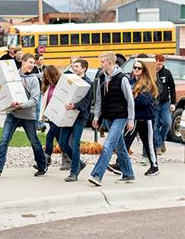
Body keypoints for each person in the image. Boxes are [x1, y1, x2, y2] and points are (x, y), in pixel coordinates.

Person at [0, 53, 47, 178]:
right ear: (23, 62)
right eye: (30, 62)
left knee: (34, 141)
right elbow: (3, 88)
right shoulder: (12, 75)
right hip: (13, 114)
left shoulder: (34, 80)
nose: (32, 65)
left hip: (28, 116)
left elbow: (35, 100)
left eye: (33, 63)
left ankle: (42, 166)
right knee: (4, 140)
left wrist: (21, 105)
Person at [89, 52, 135, 186]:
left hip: (121, 117)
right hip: (109, 117)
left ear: (110, 62)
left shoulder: (122, 78)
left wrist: (131, 119)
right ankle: (128, 174)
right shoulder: (102, 78)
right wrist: (96, 116)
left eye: (103, 62)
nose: (101, 64)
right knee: (120, 147)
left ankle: (97, 175)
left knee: (108, 145)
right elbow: (98, 99)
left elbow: (130, 100)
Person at [108, 60, 160, 176]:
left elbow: (144, 101)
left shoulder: (148, 84)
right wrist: (132, 97)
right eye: (134, 67)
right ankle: (120, 163)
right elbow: (126, 98)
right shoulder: (130, 82)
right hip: (134, 118)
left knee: (148, 143)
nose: (136, 70)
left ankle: (154, 166)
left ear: (143, 70)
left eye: (139, 68)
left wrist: (131, 98)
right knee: (125, 140)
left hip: (146, 119)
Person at [58, 59, 92, 182]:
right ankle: (80, 163)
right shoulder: (71, 79)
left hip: (79, 117)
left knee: (75, 144)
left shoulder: (88, 82)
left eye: (77, 66)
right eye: (73, 66)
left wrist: (75, 106)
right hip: (68, 115)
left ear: (84, 68)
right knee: (62, 142)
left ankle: (74, 172)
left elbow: (87, 101)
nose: (74, 68)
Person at [39, 65, 62, 167]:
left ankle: (45, 161)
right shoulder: (47, 86)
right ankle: (74, 161)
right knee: (60, 140)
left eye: (49, 76)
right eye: (46, 77)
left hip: (59, 116)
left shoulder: (61, 85)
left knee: (49, 136)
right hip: (50, 116)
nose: (47, 79)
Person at [154, 54, 176, 155]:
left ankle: (161, 140)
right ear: (155, 61)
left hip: (165, 103)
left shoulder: (167, 73)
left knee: (167, 123)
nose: (159, 66)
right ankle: (158, 146)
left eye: (161, 64)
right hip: (153, 103)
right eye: (158, 64)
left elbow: (172, 88)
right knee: (155, 125)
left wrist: (173, 103)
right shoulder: (151, 72)